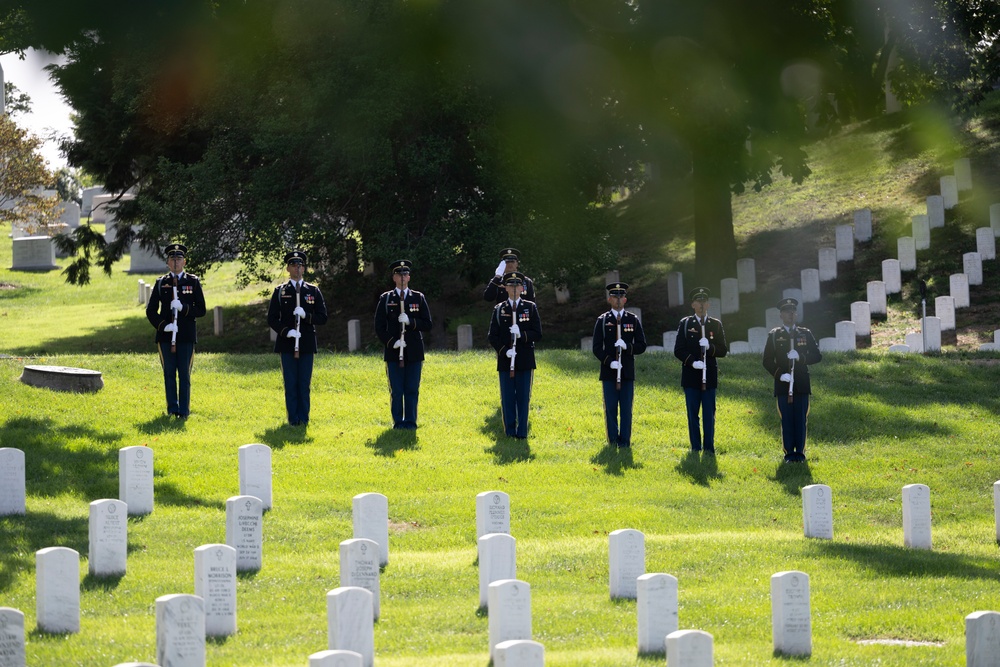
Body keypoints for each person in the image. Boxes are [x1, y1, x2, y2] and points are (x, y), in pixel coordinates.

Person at [267, 250, 328, 426]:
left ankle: (304, 418)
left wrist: (306, 316)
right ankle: (293, 419)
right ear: (288, 268)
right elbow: (272, 318)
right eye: (293, 265)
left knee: (304, 384)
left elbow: (322, 317)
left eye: (300, 265)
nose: (297, 268)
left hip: (307, 343)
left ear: (304, 268)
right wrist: (286, 331)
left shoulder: (313, 291)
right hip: (287, 344)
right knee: (291, 384)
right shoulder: (280, 291)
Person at [145, 243, 206, 419]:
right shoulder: (161, 283)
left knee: (184, 375)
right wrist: (164, 326)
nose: (176, 262)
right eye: (172, 259)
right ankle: (172, 409)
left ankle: (184, 411)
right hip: (165, 337)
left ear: (184, 262)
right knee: (169, 373)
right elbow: (150, 311)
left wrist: (184, 308)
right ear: (168, 262)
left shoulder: (192, 282)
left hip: (186, 335)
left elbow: (201, 310)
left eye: (179, 258)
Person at [374, 260, 433, 429]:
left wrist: (411, 322)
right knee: (397, 389)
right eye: (399, 274)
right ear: (394, 277)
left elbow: (427, 324)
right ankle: (398, 422)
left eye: (405, 274)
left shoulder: (418, 297)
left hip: (413, 351)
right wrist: (392, 342)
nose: (402, 277)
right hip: (394, 351)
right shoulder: (386, 299)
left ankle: (411, 421)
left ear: (409, 277)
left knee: (412, 389)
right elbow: (379, 327)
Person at [762, 298, 822, 462]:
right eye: (787, 311)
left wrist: (801, 357)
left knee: (801, 420)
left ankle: (800, 453)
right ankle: (789, 454)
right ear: (781, 315)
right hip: (783, 385)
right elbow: (767, 360)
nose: (790, 314)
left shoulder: (805, 333)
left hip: (801, 384)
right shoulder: (775, 335)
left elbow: (817, 356)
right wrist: (780, 374)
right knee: (787, 420)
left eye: (793, 311)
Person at [487, 271, 542, 439]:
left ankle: (522, 432)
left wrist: (522, 335)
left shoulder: (530, 307)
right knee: (508, 397)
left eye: (518, 285)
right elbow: (492, 336)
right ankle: (510, 431)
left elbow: (537, 333)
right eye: (511, 285)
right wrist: (504, 351)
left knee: (523, 397)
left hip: (525, 359)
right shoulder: (499, 309)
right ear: (506, 288)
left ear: (522, 288)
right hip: (506, 359)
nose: (515, 288)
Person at [674, 287, 728, 454]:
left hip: (709, 376)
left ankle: (709, 448)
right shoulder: (686, 324)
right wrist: (692, 362)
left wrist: (710, 347)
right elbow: (678, 350)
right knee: (693, 414)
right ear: (693, 305)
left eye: (704, 301)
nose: (702, 304)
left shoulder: (715, 325)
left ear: (709, 304)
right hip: (691, 376)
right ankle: (696, 447)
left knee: (709, 415)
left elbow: (723, 350)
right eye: (698, 301)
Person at [592, 282, 647, 448]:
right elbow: (596, 348)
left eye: (621, 296)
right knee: (610, 408)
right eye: (614, 296)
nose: (618, 299)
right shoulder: (602, 321)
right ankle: (613, 440)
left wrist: (627, 347)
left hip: (627, 371)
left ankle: (625, 441)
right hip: (609, 372)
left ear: (625, 299)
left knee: (626, 409)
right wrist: (610, 362)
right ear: (609, 299)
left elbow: (641, 345)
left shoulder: (632, 320)